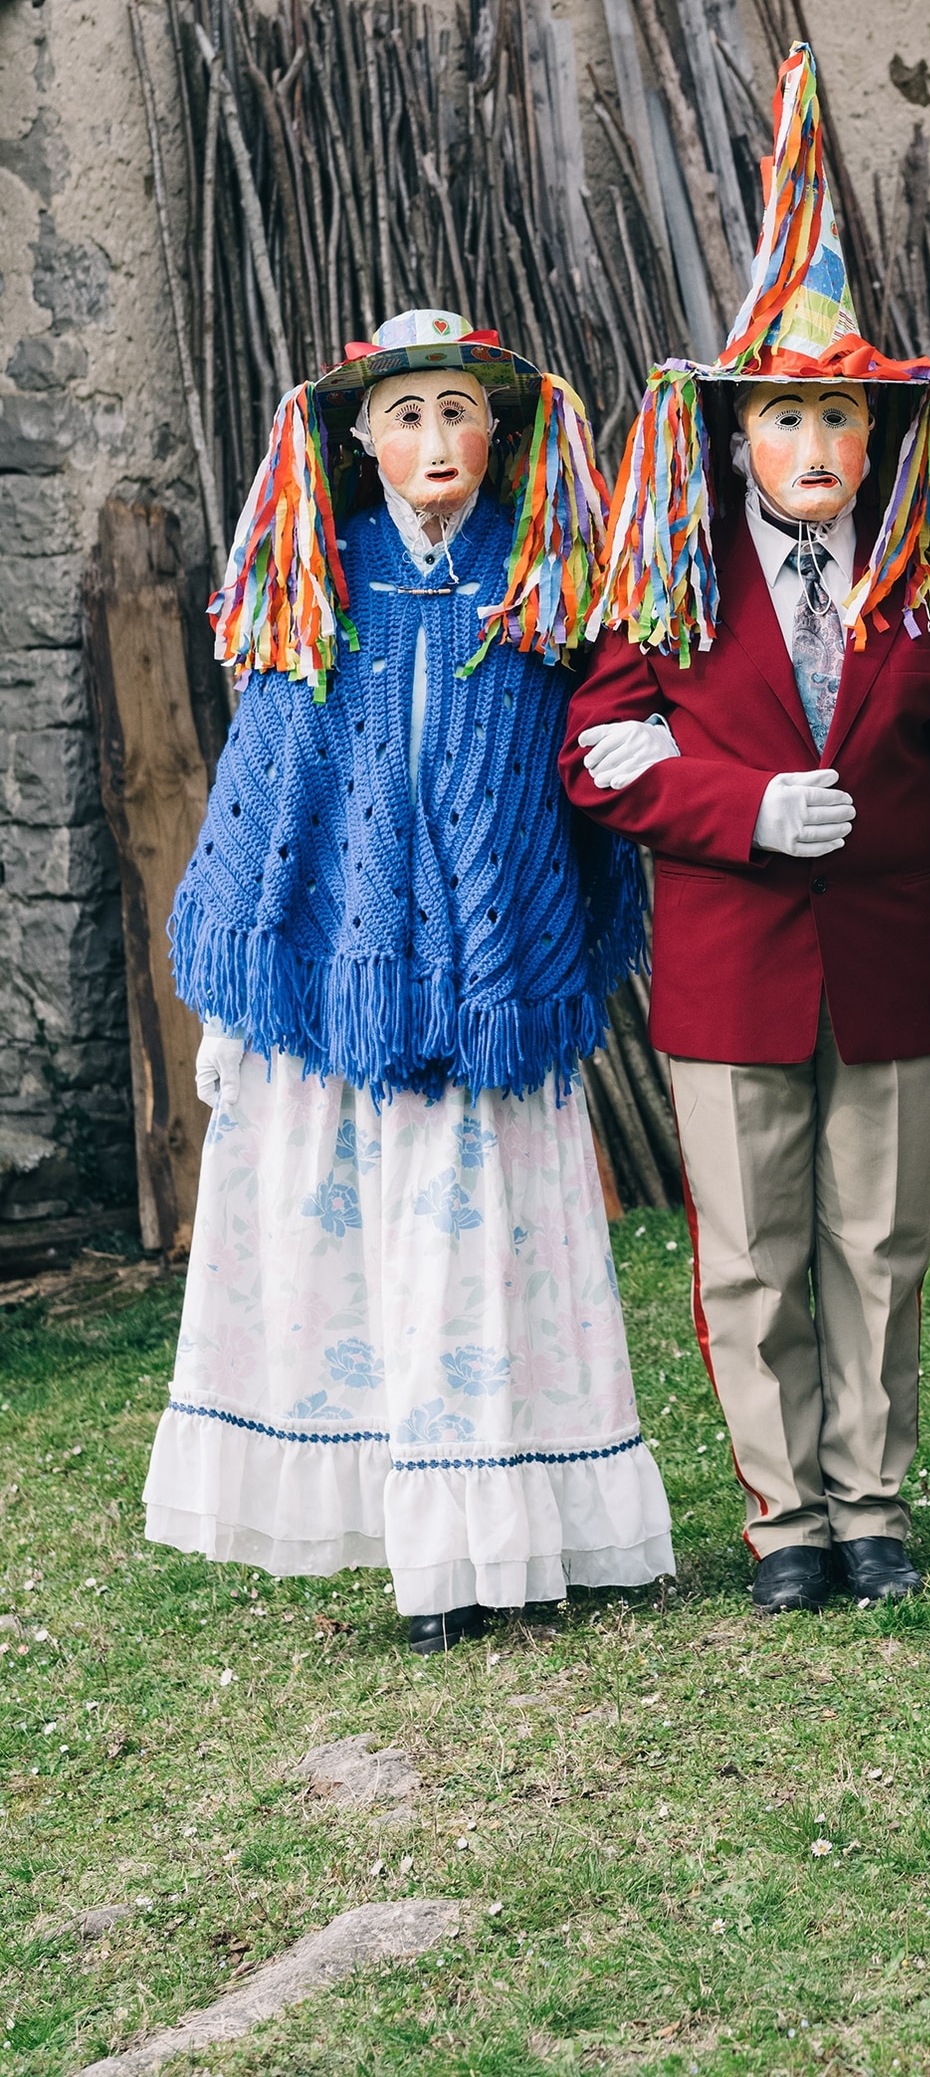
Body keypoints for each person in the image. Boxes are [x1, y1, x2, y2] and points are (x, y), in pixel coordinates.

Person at [561, 46, 930, 1615]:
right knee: (751, 1255)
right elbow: (599, 759)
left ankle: (873, 1501)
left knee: (876, 1244)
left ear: (877, 436)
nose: (812, 452)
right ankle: (783, 1518)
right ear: (734, 437)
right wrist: (744, 806)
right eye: (782, 423)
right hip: (729, 967)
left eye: (836, 421)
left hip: (890, 973)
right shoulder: (678, 584)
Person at [143, 310, 673, 1651]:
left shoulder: (548, 591)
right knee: (371, 1272)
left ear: (499, 435)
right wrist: (230, 1008)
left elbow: (581, 786)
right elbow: (273, 798)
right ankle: (414, 1550)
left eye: (457, 412)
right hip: (347, 1011)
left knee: (489, 1270)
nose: (434, 440)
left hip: (496, 1011)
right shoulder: (316, 593)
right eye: (406, 415)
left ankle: (502, 1543)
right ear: (359, 438)